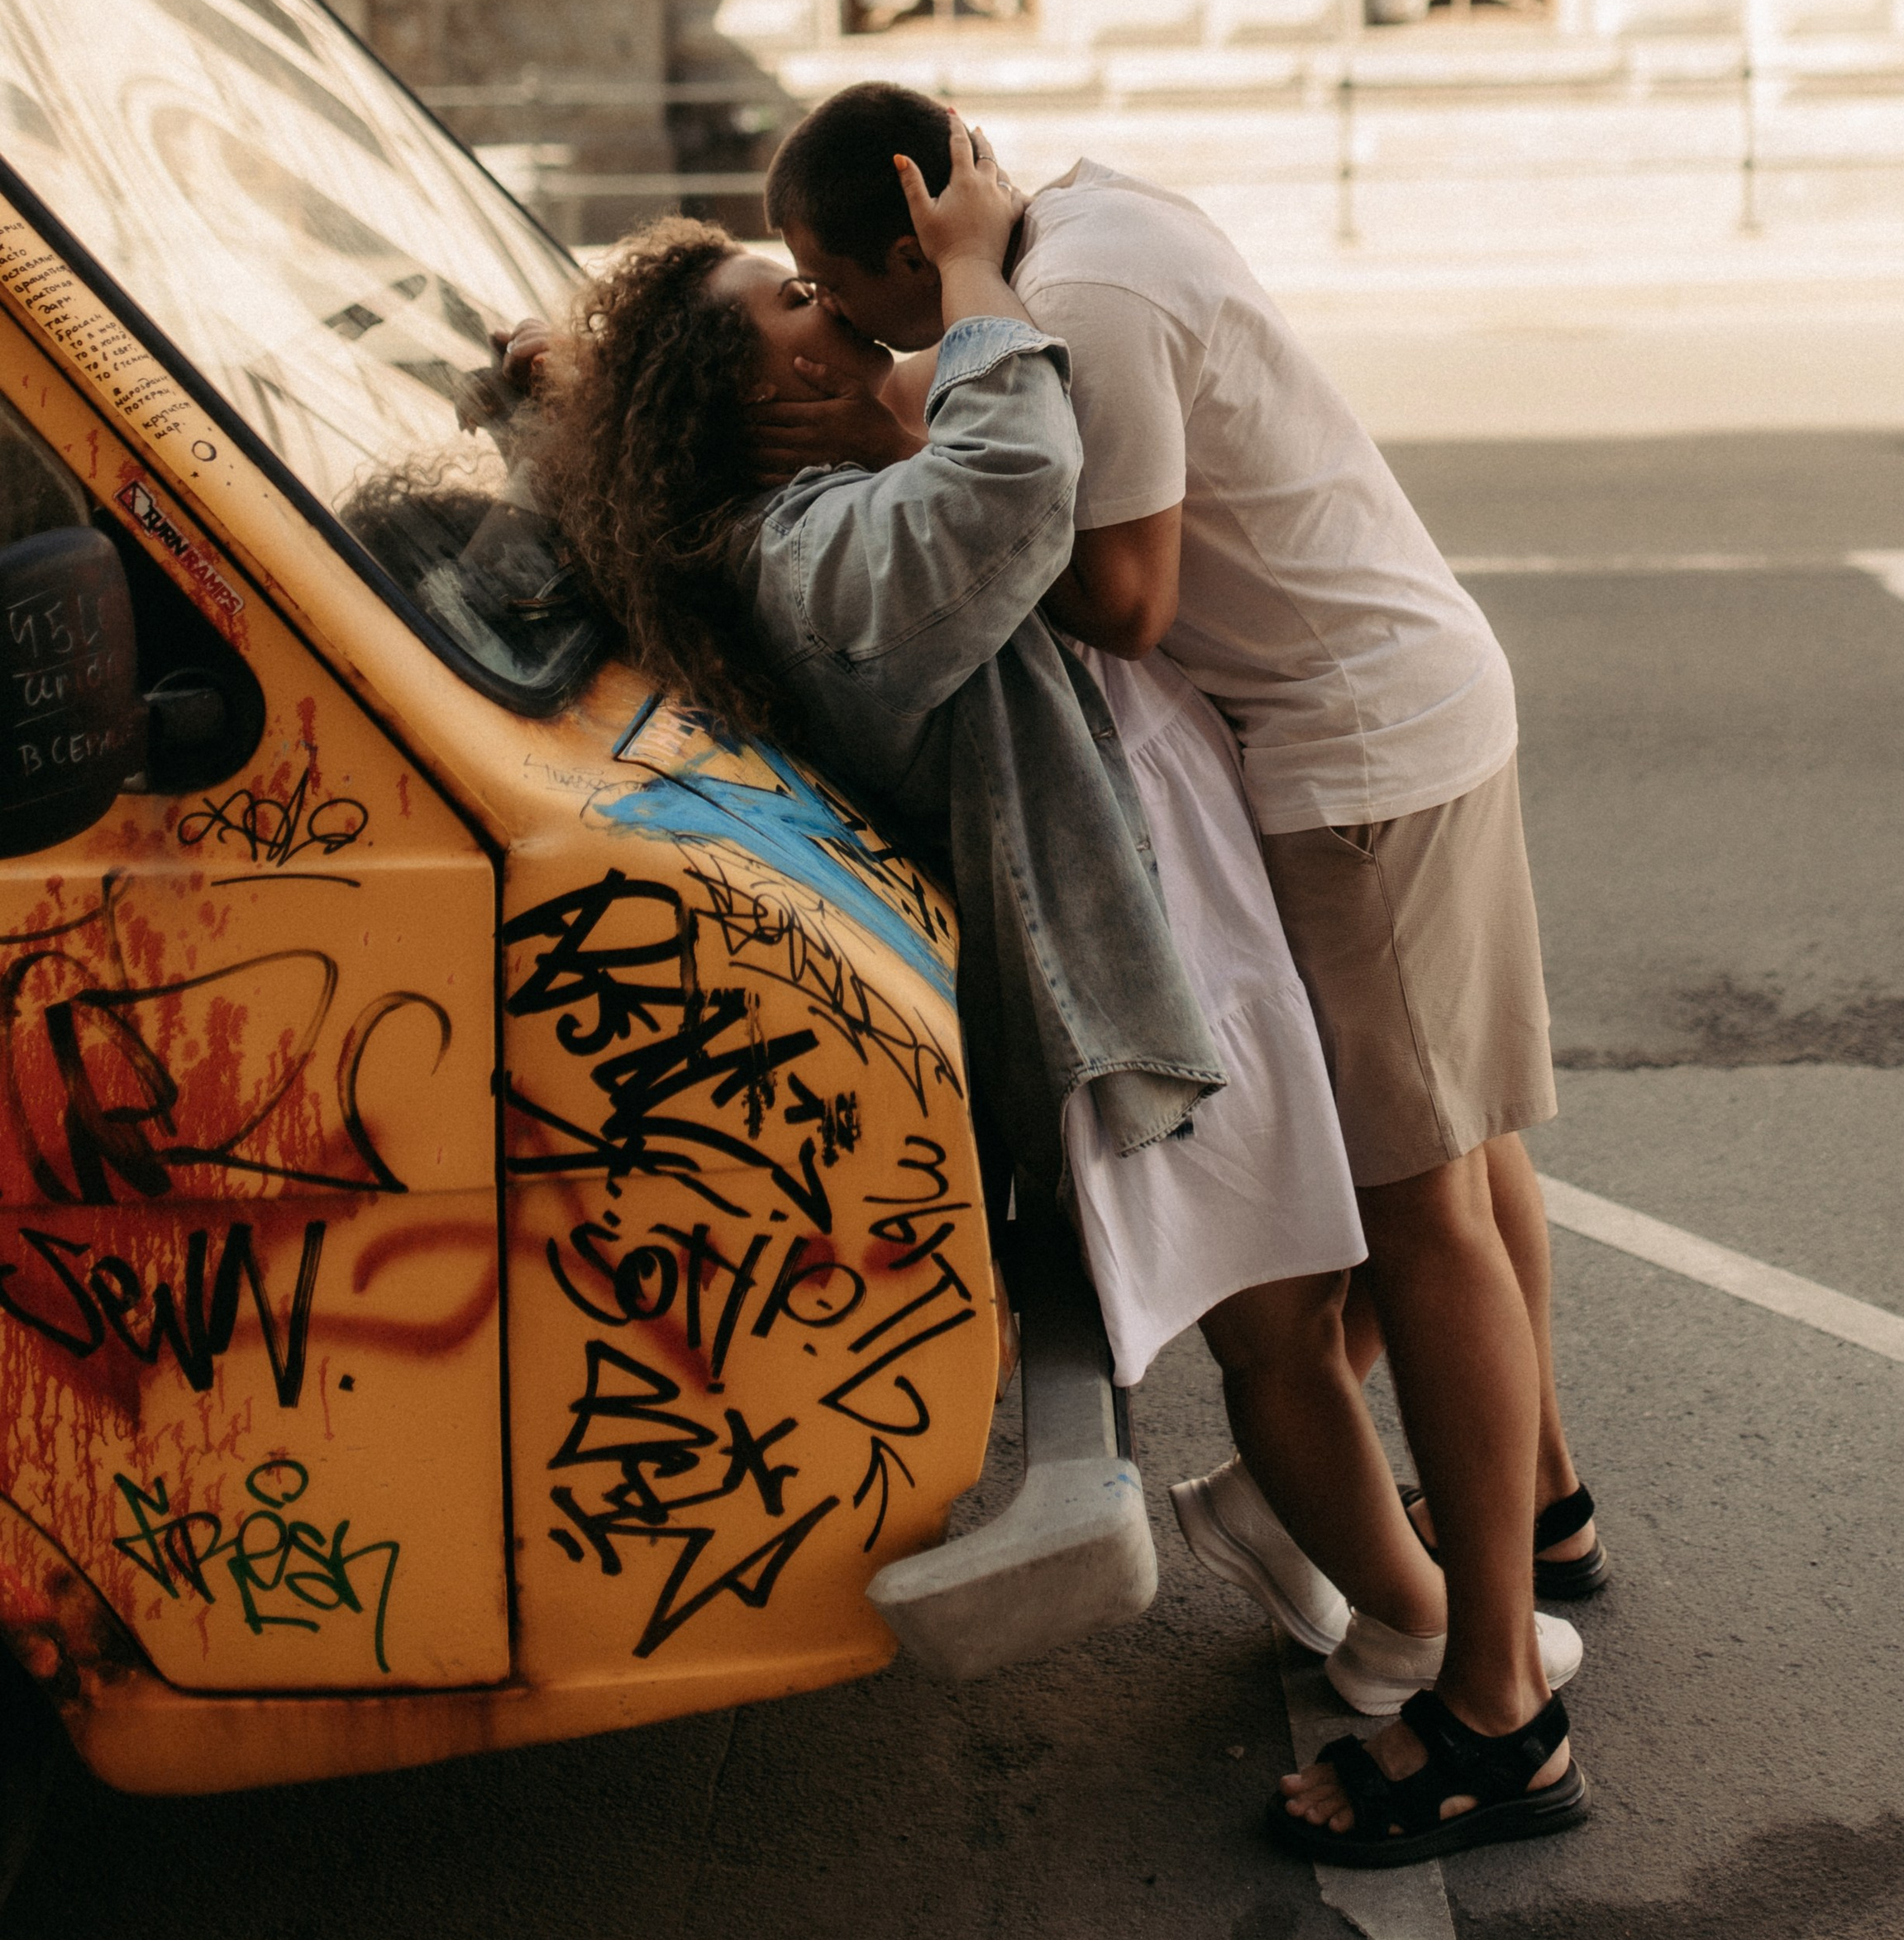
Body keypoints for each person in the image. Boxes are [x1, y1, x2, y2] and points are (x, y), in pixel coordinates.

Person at [526, 118, 1491, 1675]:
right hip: (1133, 950)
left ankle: (1337, 1561)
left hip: (1180, 904)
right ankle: (1419, 1638)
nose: (828, 302)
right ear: (752, 397)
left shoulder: (823, 498)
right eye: (789, 301)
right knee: (1280, 1317)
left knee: (1321, 1267)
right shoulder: (805, 554)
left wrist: (557, 368)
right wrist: (973, 272)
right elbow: (1013, 476)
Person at [763, 84, 1601, 1868]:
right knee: (1466, 1157)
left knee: (1427, 1212)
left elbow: (1122, 594)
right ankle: (1540, 1515)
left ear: (915, 238)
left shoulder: (1077, 301)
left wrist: (948, 402)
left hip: (1353, 759)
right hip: (1400, 704)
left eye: (836, 289)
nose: (845, 331)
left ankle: (1494, 1715)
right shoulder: (1089, 225)